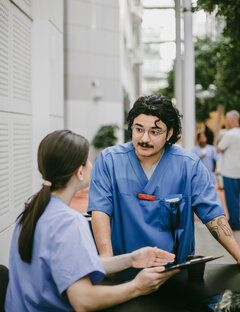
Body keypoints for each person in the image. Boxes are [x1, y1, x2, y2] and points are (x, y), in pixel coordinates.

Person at [5, 130, 177, 312]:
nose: (91, 165)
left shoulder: (32, 209)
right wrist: (138, 286)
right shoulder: (69, 222)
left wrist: (132, 259)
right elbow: (83, 301)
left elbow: (72, 266)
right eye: (88, 160)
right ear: (80, 172)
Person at [88, 94, 240, 266]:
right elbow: (100, 211)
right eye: (138, 129)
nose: (144, 139)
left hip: (173, 273)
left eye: (154, 132)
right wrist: (107, 260)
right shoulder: (109, 161)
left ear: (169, 134)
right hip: (123, 272)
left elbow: (213, 216)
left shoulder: (188, 166)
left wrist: (238, 254)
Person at [217, 110, 240, 230]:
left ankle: (235, 222)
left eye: (227, 118)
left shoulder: (229, 134)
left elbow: (219, 149)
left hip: (230, 171)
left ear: (231, 120)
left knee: (232, 198)